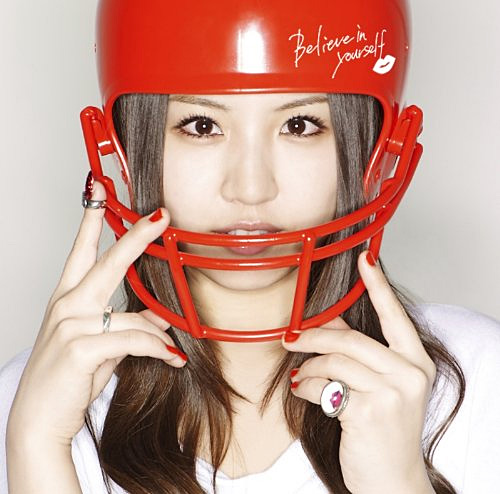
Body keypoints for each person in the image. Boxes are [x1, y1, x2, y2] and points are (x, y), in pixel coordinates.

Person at [1, 1, 500, 493]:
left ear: (371, 149)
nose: (250, 187)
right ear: (130, 147)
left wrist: (400, 484)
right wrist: (35, 448)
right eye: (202, 126)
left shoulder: (476, 380)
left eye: (299, 125)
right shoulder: (39, 399)